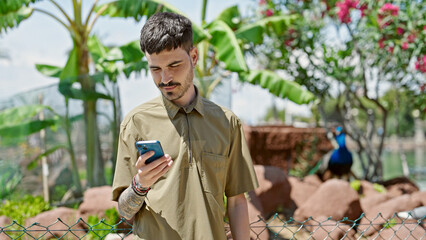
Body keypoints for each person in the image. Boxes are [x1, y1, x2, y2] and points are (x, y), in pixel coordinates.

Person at [112, 12, 259, 240]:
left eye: (174, 65)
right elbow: (123, 211)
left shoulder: (227, 122)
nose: (165, 78)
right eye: (155, 69)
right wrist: (140, 185)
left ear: (194, 56)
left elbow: (238, 201)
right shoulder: (135, 123)